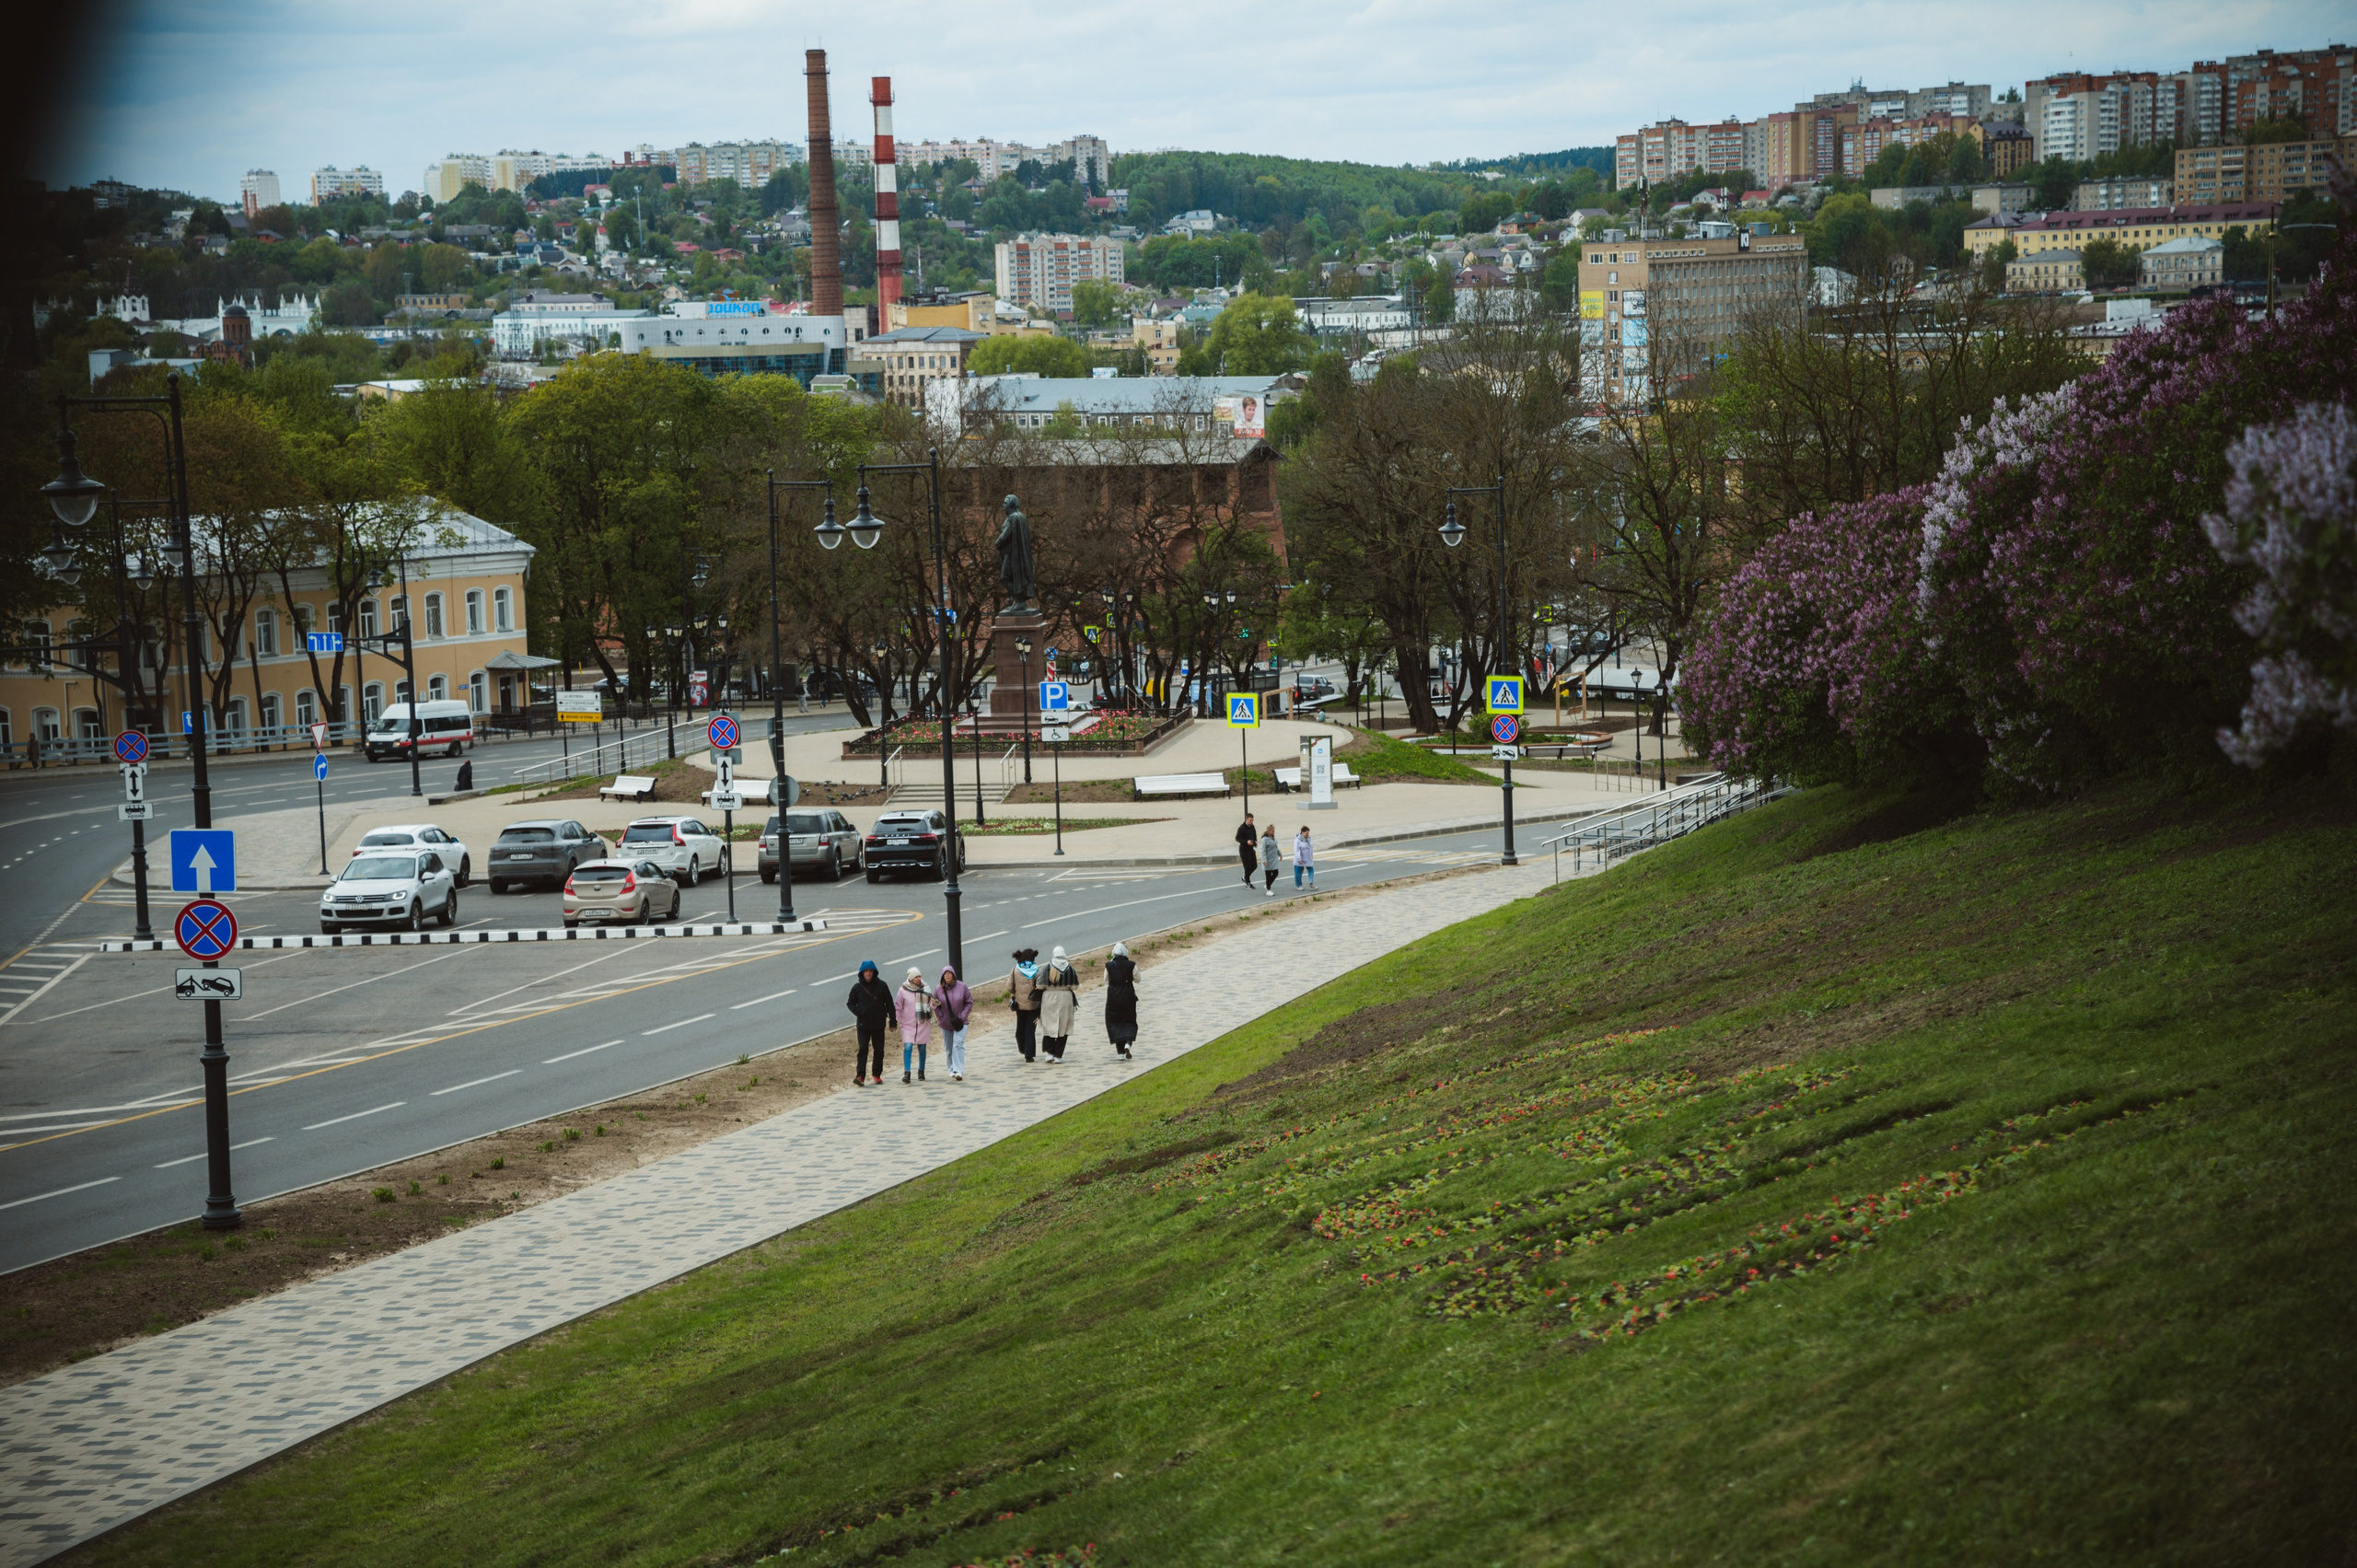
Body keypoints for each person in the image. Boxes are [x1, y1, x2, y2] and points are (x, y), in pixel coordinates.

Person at [845, 959, 892, 1086]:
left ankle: (876, 1074)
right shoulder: (857, 988)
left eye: (870, 971)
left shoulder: (882, 985)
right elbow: (850, 1003)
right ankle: (860, 1076)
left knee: (879, 1050)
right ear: (862, 973)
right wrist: (859, 1012)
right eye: (866, 971)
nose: (868, 973)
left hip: (878, 1024)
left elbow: (890, 1003)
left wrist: (893, 1021)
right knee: (863, 1049)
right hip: (863, 1025)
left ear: (874, 972)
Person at [1038, 945, 1080, 1063]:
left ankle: (1050, 1053)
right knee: (1064, 1026)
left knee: (1048, 1024)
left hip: (1049, 998)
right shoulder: (1070, 968)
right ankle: (1058, 1055)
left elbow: (1040, 985)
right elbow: (1075, 986)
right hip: (1065, 998)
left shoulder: (1047, 967)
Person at [895, 966, 934, 1084]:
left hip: (922, 1023)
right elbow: (898, 1006)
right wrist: (895, 1020)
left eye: (919, 976)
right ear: (911, 979)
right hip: (908, 1024)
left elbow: (930, 1003)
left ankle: (921, 1071)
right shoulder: (903, 990)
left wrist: (934, 1005)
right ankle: (907, 1073)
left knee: (922, 1047)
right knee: (908, 1046)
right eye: (916, 977)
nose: (919, 978)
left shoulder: (925, 988)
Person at [1103, 941, 1138, 1061]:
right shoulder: (1131, 965)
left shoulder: (1109, 965)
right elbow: (1138, 979)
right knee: (1129, 1019)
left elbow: (1105, 980)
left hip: (1113, 997)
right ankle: (1128, 1043)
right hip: (1128, 995)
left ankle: (1120, 1053)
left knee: (1114, 1022)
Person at [936, 965, 973, 1079]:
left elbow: (969, 1002)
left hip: (960, 1023)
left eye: (949, 973)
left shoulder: (962, 987)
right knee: (949, 1047)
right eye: (945, 973)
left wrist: (962, 1017)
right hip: (946, 1023)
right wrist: (941, 1017)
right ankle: (951, 1068)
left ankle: (959, 1070)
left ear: (953, 975)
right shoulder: (938, 989)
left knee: (958, 1044)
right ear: (943, 976)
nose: (947, 975)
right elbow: (935, 1005)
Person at [1008, 947, 1042, 1062]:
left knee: (1020, 1029)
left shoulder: (1015, 970)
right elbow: (1041, 986)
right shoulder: (1036, 970)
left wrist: (1016, 993)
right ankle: (1029, 1055)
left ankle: (1022, 1048)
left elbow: (1009, 988)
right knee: (1030, 1030)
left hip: (1020, 1006)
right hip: (1033, 1006)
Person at [1234, 811, 1259, 885]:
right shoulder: (1241, 828)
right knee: (1247, 867)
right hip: (1244, 850)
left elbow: (1254, 834)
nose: (1252, 822)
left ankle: (1245, 877)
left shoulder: (1252, 827)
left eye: (1252, 820)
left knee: (1254, 865)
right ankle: (1248, 882)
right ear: (1246, 819)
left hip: (1251, 849)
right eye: (1250, 820)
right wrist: (1246, 842)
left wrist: (1255, 841)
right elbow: (1237, 838)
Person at [1260, 822, 1282, 894]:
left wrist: (1280, 854)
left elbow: (1276, 847)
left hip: (1274, 859)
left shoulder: (1274, 837)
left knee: (1276, 872)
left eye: (1274, 830)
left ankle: (1267, 885)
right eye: (1272, 831)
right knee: (1268, 875)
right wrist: (1264, 860)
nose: (1273, 832)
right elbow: (1263, 851)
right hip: (1268, 859)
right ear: (1268, 831)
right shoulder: (1265, 839)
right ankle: (1268, 889)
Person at [1294, 825, 1316, 889]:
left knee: (1311, 870)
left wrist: (1311, 856)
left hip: (1308, 858)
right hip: (1300, 859)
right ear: (1302, 832)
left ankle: (1311, 884)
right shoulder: (1297, 840)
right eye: (1306, 833)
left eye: (1308, 833)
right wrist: (1299, 858)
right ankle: (1299, 885)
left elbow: (1310, 847)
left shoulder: (1309, 838)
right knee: (1298, 873)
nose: (1307, 834)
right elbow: (1296, 850)